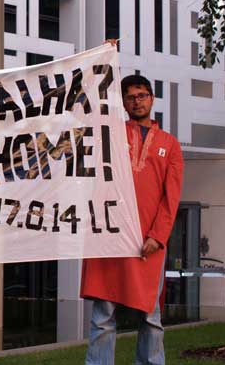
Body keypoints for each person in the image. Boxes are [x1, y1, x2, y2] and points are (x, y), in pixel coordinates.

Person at [80, 73, 184, 364]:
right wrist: (102, 64)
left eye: (141, 95)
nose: (136, 101)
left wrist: (158, 236)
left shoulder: (170, 145)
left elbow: (171, 197)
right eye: (130, 97)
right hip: (109, 235)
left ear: (152, 98)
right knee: (103, 316)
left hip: (148, 240)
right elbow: (87, 109)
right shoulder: (110, 134)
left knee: (150, 317)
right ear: (122, 102)